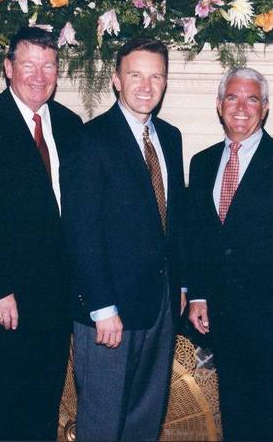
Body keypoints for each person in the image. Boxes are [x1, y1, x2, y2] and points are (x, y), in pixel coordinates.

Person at [0, 27, 82, 440]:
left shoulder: (70, 125)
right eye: (28, 64)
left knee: (40, 414)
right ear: (8, 67)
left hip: (55, 303)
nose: (39, 75)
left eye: (48, 66)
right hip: (4, 301)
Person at [187, 67, 273, 441]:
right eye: (232, 98)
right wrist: (198, 294)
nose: (241, 108)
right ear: (219, 105)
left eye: (252, 99)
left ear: (265, 108)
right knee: (236, 421)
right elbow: (198, 237)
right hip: (224, 323)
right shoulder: (202, 163)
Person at [63, 37, 185, 441]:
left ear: (165, 82)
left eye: (156, 77)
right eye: (136, 75)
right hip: (109, 311)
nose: (146, 86)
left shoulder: (170, 137)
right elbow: (81, 232)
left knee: (144, 420)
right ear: (116, 80)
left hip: (160, 306)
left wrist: (181, 288)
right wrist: (101, 308)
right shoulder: (90, 138)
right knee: (102, 422)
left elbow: (172, 223)